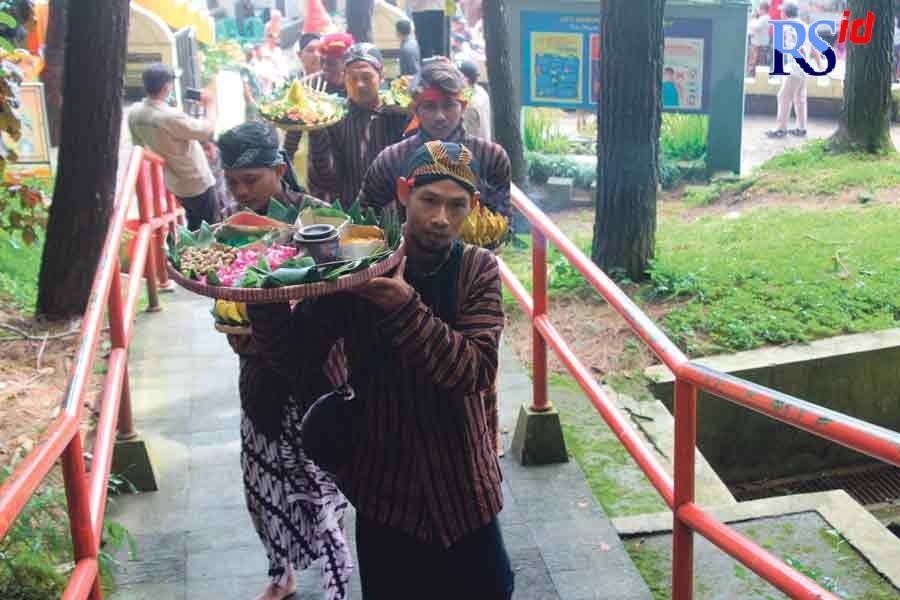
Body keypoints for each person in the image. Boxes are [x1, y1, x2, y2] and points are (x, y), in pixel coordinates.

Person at [246, 140, 514, 600]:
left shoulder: (478, 270)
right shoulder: (358, 267)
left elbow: (474, 371)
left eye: (457, 206)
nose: (441, 219)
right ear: (405, 192)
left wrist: (407, 307)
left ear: (473, 207)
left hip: (465, 486)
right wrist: (264, 291)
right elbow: (295, 358)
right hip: (385, 489)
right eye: (430, 200)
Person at [216, 122, 349, 600]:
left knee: (324, 487)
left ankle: (337, 581)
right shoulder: (227, 229)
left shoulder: (320, 220)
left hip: (318, 376)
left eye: (251, 179)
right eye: (232, 181)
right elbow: (225, 304)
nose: (241, 192)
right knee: (262, 480)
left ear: (278, 170)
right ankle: (281, 572)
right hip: (260, 381)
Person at [358, 58, 511, 220]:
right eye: (430, 106)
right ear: (415, 110)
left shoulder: (491, 157)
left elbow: (503, 224)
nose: (440, 116)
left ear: (463, 107)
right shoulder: (391, 159)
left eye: (448, 105)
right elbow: (363, 218)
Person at [307, 43, 409, 208]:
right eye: (352, 78)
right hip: (351, 211)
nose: (359, 84)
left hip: (394, 213)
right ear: (343, 78)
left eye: (366, 77)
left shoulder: (397, 113)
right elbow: (325, 179)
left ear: (382, 76)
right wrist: (316, 133)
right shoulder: (334, 117)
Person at [128, 63, 218, 230]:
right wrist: (210, 105)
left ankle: (190, 253)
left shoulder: (135, 112)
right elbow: (206, 130)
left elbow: (139, 145)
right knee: (209, 226)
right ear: (167, 86)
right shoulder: (170, 117)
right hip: (196, 179)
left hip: (174, 180)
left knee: (193, 221)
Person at [767, 2, 822, 138]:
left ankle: (781, 129)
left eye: (781, 12)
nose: (780, 14)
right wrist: (818, 64)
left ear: (785, 13)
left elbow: (798, 48)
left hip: (796, 68)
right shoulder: (805, 26)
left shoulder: (789, 27)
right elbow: (814, 48)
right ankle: (801, 128)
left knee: (784, 96)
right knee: (800, 98)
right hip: (803, 68)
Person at [458, 59, 491, 141]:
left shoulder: (468, 99)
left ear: (465, 78)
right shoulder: (481, 91)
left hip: (474, 148)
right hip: (485, 143)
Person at [747, 2, 771, 75]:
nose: (759, 11)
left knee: (755, 60)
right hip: (758, 42)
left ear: (764, 10)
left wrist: (752, 19)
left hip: (759, 44)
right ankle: (754, 74)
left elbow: (755, 26)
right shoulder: (762, 18)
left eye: (760, 9)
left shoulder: (765, 18)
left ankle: (752, 73)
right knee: (757, 60)